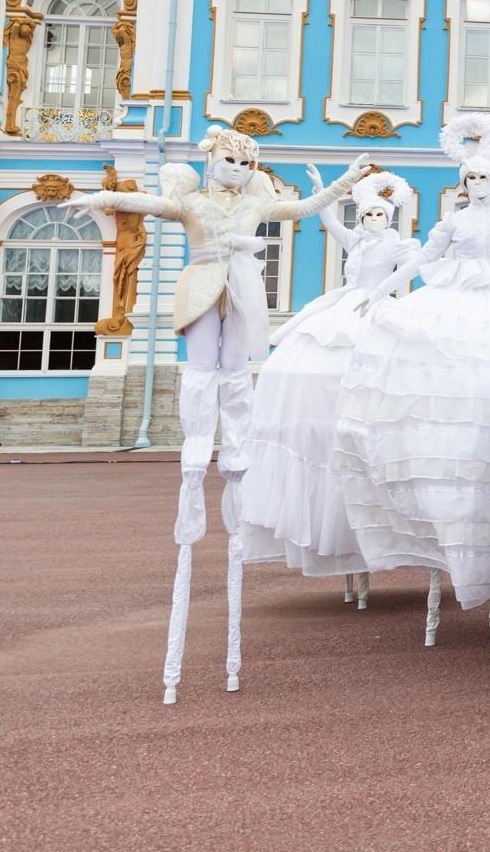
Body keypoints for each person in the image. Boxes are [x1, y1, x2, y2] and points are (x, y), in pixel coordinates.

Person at [68, 125, 369, 703]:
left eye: (244, 162)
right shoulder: (193, 201)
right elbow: (148, 203)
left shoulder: (256, 199)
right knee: (201, 366)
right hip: (204, 281)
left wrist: (347, 181)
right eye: (228, 160)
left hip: (245, 287)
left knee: (236, 371)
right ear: (212, 162)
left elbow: (303, 207)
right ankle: (198, 437)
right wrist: (101, 198)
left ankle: (236, 440)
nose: (235, 168)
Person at [335, 114, 490, 645]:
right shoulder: (452, 223)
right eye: (470, 179)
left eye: (485, 179)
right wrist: (380, 290)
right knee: (447, 405)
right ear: (463, 182)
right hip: (455, 302)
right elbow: (425, 259)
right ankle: (450, 535)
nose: (478, 186)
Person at [237, 171, 419, 604]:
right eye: (368, 212)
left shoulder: (397, 244)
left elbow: (415, 264)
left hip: (375, 308)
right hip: (343, 307)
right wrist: (326, 187)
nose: (372, 218)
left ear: (391, 218)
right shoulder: (355, 240)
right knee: (301, 368)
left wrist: (383, 291)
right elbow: (331, 224)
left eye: (379, 213)